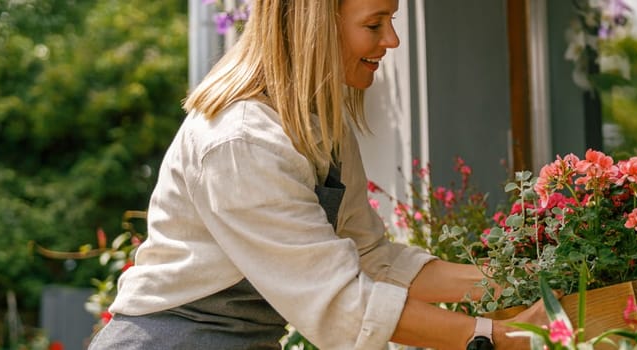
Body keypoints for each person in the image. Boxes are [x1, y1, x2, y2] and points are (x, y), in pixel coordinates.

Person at [87, 0, 548, 348]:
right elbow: (342, 304)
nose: (392, 41)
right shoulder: (243, 142)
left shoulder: (315, 121)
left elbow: (370, 256)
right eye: (374, 24)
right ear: (316, 24)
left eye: (391, 20)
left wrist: (521, 283)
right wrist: (500, 336)